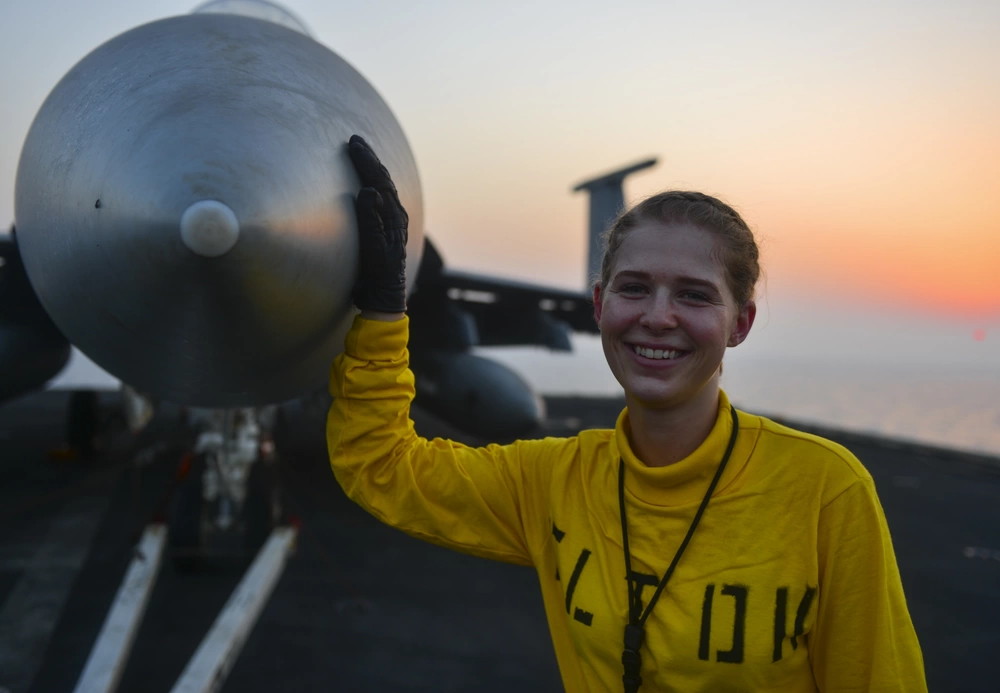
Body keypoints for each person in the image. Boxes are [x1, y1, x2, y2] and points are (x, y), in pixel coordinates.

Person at [327, 135, 927, 692]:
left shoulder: (825, 491)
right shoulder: (555, 481)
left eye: (694, 294)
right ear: (600, 304)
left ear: (739, 323)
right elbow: (381, 466)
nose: (658, 316)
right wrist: (383, 309)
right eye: (634, 288)